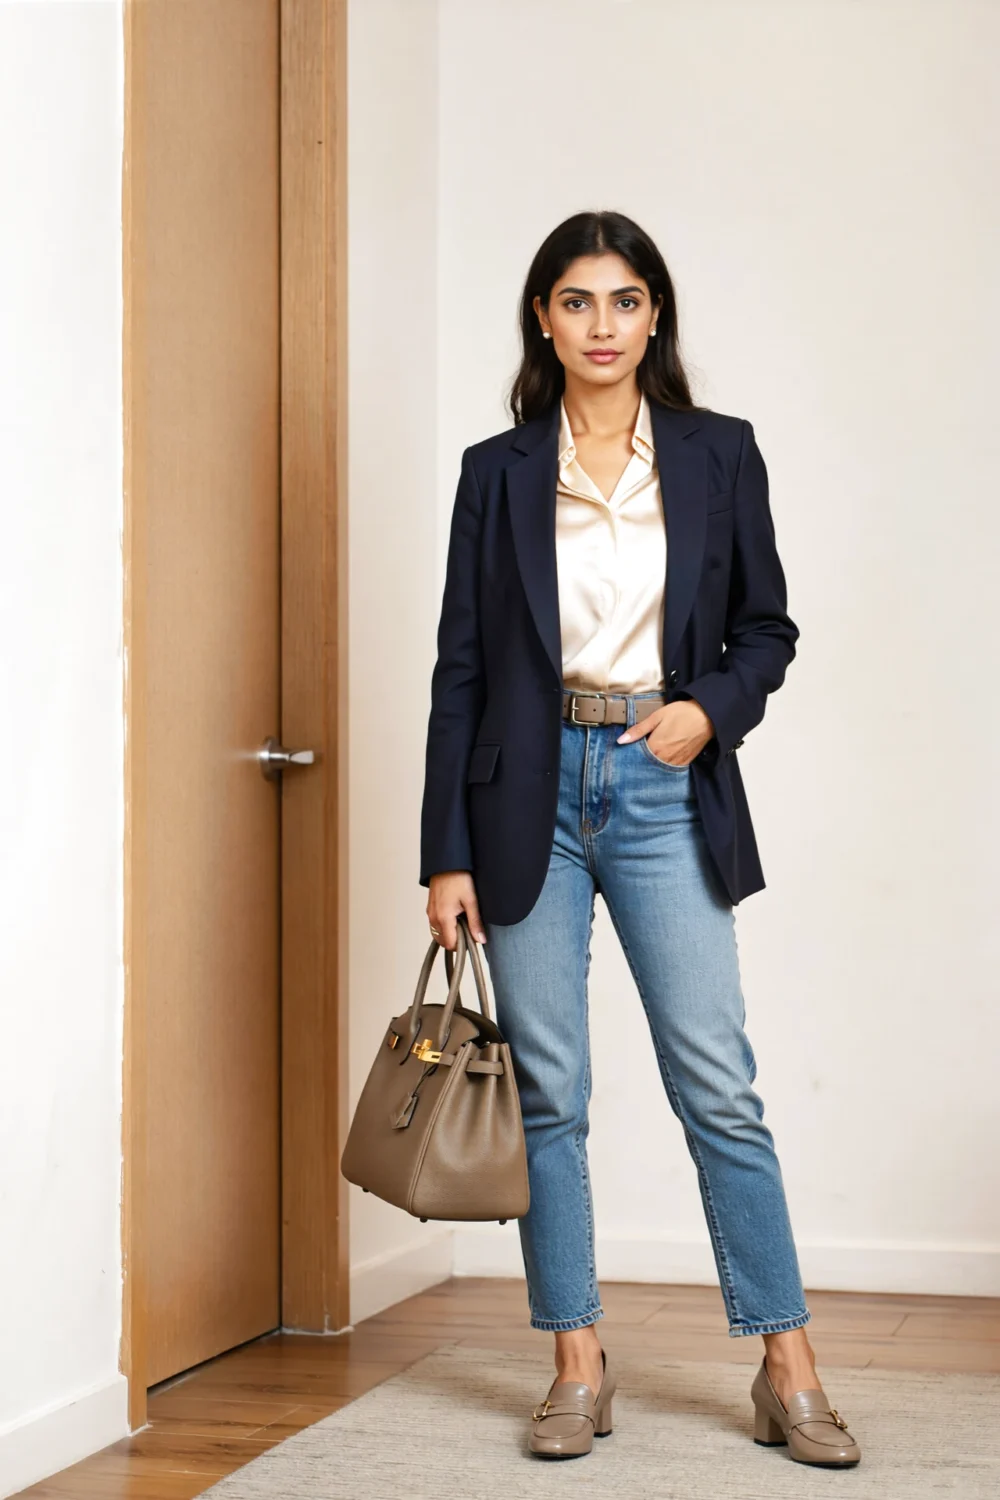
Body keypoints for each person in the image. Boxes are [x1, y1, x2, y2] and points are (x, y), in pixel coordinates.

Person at [418, 210, 861, 1468]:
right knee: (548, 1097)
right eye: (575, 302)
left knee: (716, 1086)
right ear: (542, 321)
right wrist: (442, 851)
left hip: (662, 782)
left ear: (653, 315)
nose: (600, 325)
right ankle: (576, 1360)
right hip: (524, 800)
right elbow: (458, 672)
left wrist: (702, 714)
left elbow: (764, 629)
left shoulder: (719, 456)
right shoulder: (495, 472)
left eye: (623, 301)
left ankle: (787, 1365)